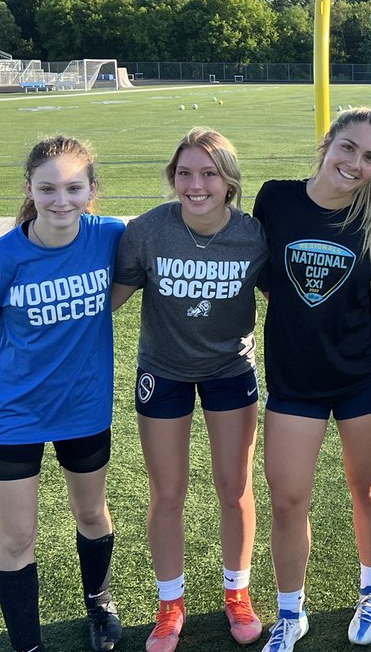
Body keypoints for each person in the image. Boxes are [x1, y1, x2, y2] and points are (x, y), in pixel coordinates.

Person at [0, 136, 126, 652]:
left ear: (92, 189)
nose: (62, 200)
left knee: (92, 513)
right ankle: (27, 646)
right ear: (29, 190)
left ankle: (100, 604)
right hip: (13, 415)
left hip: (84, 407)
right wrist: (17, 380)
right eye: (48, 188)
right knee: (16, 538)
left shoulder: (111, 237)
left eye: (74, 188)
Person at [252, 108, 371, 652]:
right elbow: (269, 278)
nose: (356, 163)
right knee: (288, 499)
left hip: (362, 373)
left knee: (366, 487)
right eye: (349, 148)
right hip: (295, 378)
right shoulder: (276, 198)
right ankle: (290, 613)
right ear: (328, 143)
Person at [112, 129, 269, 652]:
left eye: (208, 173)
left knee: (234, 488)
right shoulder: (148, 231)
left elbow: (291, 293)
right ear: (172, 178)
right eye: (184, 173)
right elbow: (110, 297)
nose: (195, 185)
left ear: (229, 180)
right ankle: (169, 604)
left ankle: (237, 594)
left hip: (230, 369)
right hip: (165, 370)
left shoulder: (253, 235)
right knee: (168, 492)